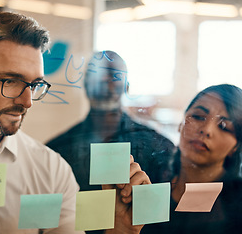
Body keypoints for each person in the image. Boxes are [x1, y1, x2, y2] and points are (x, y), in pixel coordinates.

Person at [0, 11, 151, 234]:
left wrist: (121, 231)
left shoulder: (51, 170)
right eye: (11, 81)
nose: (27, 101)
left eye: (34, 85)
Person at [46, 50, 176, 193]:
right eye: (97, 74)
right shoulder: (56, 151)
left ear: (127, 86)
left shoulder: (159, 148)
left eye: (114, 75)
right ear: (86, 84)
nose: (104, 80)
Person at [141, 84, 242, 233]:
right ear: (181, 123)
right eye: (198, 117)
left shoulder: (237, 205)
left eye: (223, 126)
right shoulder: (148, 182)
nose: (206, 130)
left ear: (236, 147)